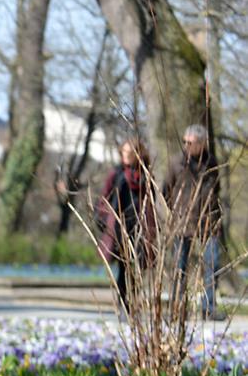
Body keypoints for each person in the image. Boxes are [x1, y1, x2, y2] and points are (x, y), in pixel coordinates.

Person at [94, 137, 156, 313]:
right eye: (124, 152)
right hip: (120, 227)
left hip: (140, 225)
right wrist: (105, 218)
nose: (126, 156)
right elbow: (104, 199)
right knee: (123, 266)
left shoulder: (145, 175)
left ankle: (133, 300)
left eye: (130, 153)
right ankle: (123, 303)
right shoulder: (116, 174)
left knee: (136, 266)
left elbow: (152, 199)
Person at [168, 123, 223, 321]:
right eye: (184, 142)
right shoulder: (176, 163)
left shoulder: (212, 164)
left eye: (190, 142)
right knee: (179, 268)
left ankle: (208, 308)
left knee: (212, 265)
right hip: (183, 223)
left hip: (208, 223)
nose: (186, 146)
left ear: (202, 144)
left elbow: (216, 191)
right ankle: (177, 309)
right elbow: (166, 190)